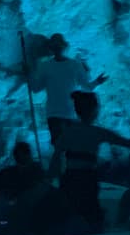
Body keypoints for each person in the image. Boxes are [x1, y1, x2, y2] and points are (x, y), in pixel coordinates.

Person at [59, 90, 130, 230]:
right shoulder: (98, 132)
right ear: (94, 110)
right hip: (87, 180)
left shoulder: (67, 131)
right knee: (92, 219)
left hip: (69, 178)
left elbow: (57, 158)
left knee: (71, 216)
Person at [28, 33, 106, 169]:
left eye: (59, 45)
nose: (57, 48)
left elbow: (87, 86)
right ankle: (59, 178)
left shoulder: (74, 65)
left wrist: (97, 82)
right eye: (55, 46)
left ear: (63, 47)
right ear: (52, 48)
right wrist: (29, 74)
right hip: (54, 113)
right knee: (59, 148)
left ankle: (69, 177)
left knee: (71, 149)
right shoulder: (45, 66)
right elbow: (35, 88)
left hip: (71, 113)